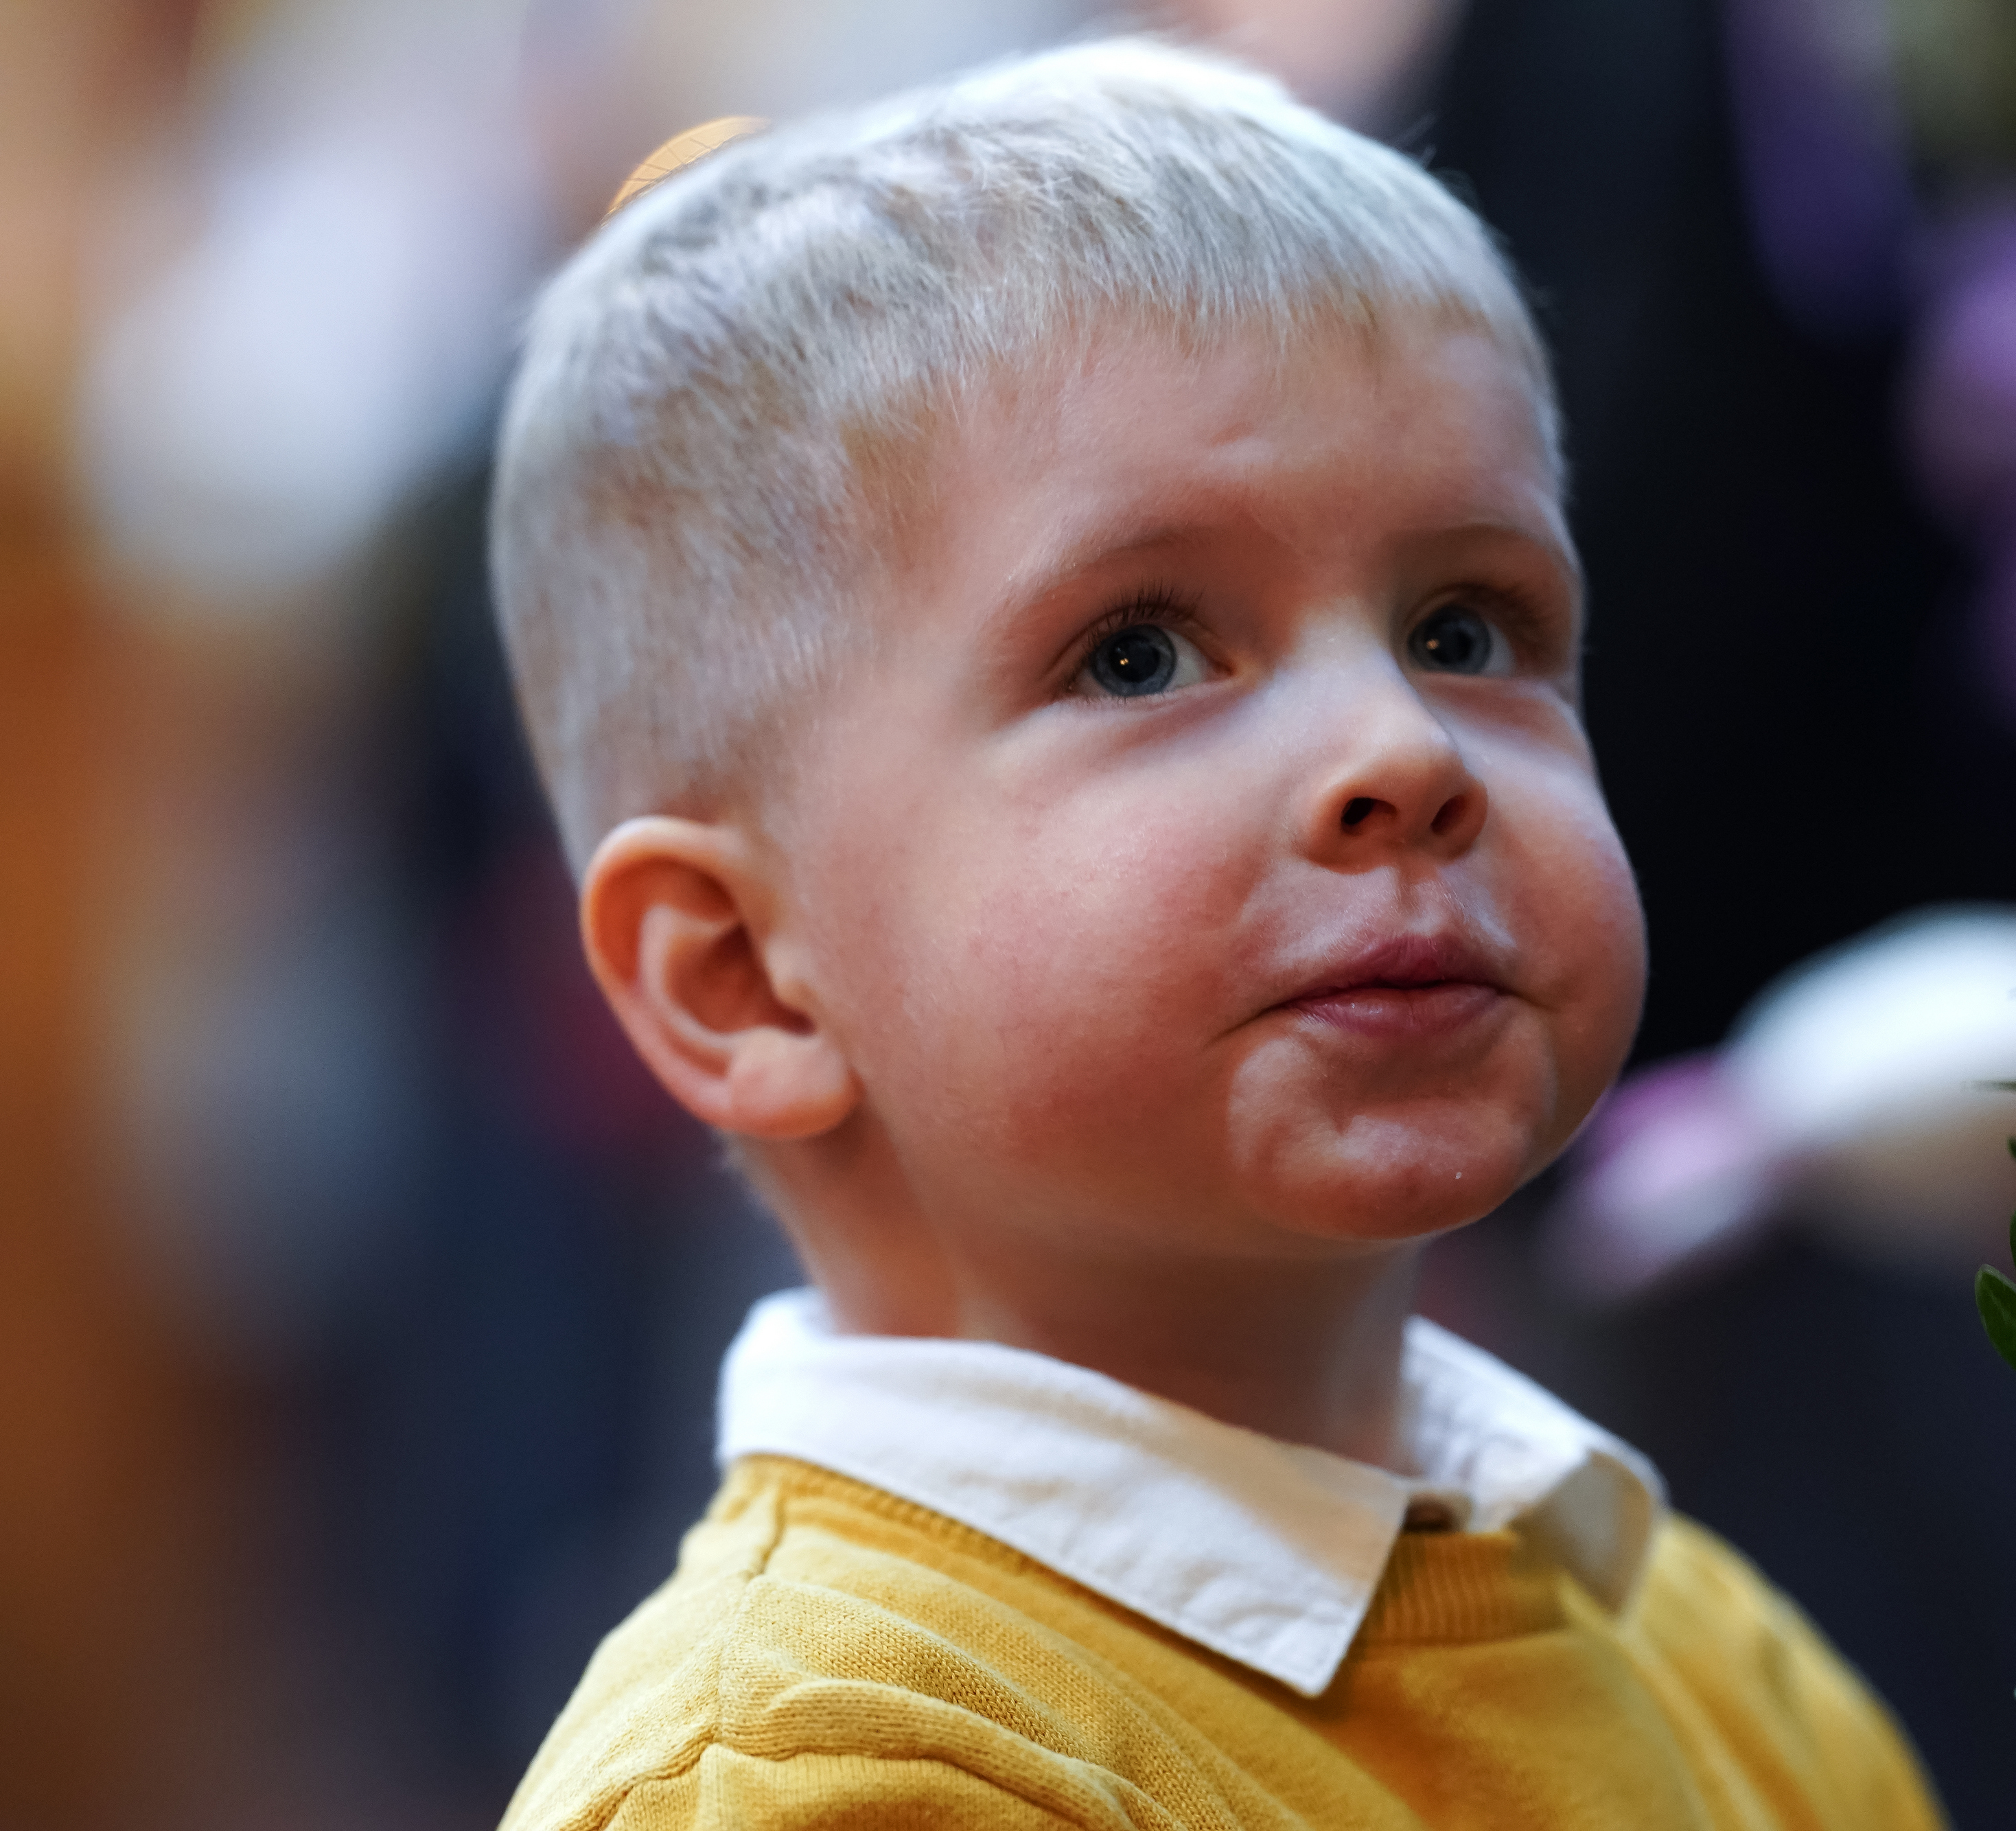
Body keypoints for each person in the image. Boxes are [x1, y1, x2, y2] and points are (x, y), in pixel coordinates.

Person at [488, 39, 1942, 1831]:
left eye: (1469, 628)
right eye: (1139, 653)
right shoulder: (831, 1772)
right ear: (741, 974)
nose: (1402, 753)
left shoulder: (1697, 1638)